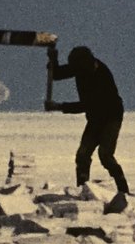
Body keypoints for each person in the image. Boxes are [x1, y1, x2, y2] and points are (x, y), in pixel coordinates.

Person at [45, 45, 129, 194]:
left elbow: (87, 104)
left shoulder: (100, 74)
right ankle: (83, 188)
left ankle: (123, 189)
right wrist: (53, 59)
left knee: (105, 154)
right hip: (95, 118)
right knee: (82, 155)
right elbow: (57, 74)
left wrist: (59, 106)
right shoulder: (81, 67)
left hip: (111, 116)